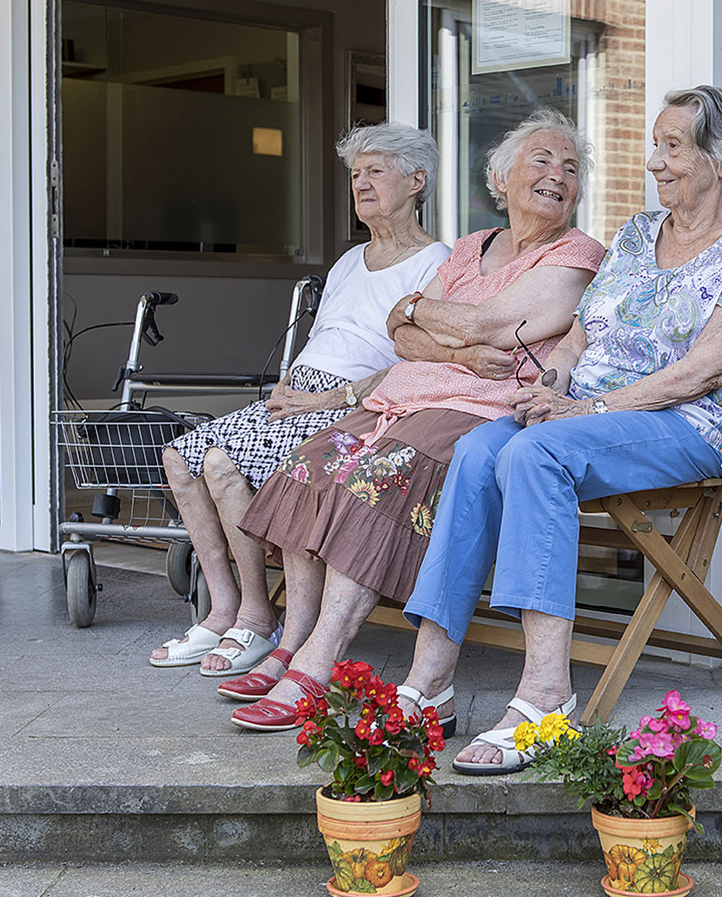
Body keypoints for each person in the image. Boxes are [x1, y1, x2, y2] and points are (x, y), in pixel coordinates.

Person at [394, 85, 722, 773]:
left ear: (721, 162)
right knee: (481, 447)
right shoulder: (639, 234)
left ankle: (547, 696)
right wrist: (551, 384)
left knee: (536, 455)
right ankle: (431, 683)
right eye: (656, 145)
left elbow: (707, 368)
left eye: (672, 147)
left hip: (688, 424)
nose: (654, 162)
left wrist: (587, 411)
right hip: (587, 418)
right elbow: (581, 336)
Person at [226, 108, 607, 731]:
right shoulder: (469, 247)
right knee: (309, 466)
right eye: (541, 161)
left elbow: (483, 325)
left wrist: (432, 321)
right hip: (402, 394)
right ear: (501, 179)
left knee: (371, 481)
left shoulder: (575, 253)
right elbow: (400, 331)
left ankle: (315, 667)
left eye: (570, 169)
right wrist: (440, 334)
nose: (557, 176)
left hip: (471, 411)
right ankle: (290, 641)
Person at [149, 123, 451, 675]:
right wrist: (292, 385)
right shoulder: (348, 261)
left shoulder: (437, 262)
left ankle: (257, 620)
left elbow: (418, 361)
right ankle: (225, 609)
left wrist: (328, 398)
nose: (360, 184)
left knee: (220, 464)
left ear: (416, 180)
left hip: (353, 406)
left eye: (375, 171)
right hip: (300, 394)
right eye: (355, 174)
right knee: (180, 456)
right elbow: (326, 338)